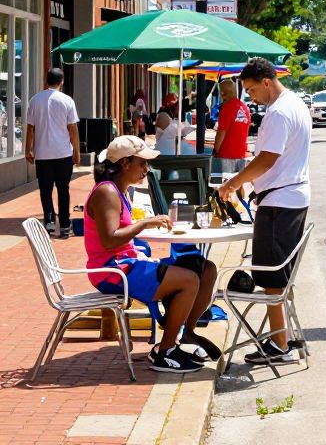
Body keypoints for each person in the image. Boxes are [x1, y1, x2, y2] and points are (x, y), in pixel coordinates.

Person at [86, 135, 220, 373]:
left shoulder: (120, 190)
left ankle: (186, 334)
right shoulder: (107, 192)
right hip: (113, 270)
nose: (147, 169)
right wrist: (145, 223)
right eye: (142, 163)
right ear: (125, 163)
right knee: (189, 280)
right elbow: (109, 240)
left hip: (127, 264)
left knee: (204, 268)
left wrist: (141, 226)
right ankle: (165, 352)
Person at [218, 57, 311, 364]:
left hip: (280, 201)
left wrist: (233, 182)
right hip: (290, 196)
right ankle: (282, 336)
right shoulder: (295, 103)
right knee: (279, 275)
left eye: (252, 89)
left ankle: (280, 345)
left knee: (272, 277)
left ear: (267, 82)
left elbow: (267, 159)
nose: (251, 97)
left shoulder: (279, 112)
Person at [25, 68, 80, 238]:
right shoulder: (67, 100)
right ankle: (64, 225)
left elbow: (30, 128)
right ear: (62, 82)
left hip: (43, 154)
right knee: (63, 189)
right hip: (63, 153)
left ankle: (49, 223)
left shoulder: (35, 100)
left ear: (46, 80)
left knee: (45, 190)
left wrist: (28, 149)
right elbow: (73, 129)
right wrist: (77, 151)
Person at [213, 78, 251, 172]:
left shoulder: (227, 108)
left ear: (222, 93)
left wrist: (215, 150)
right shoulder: (244, 108)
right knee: (237, 184)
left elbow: (221, 132)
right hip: (242, 153)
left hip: (227, 154)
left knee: (226, 184)